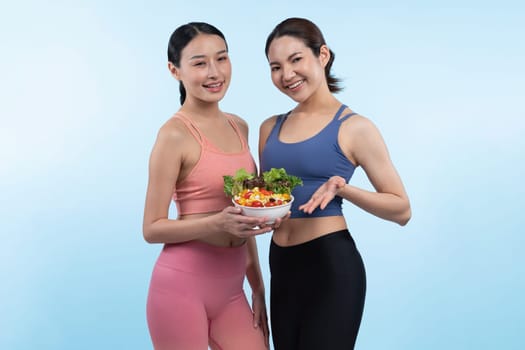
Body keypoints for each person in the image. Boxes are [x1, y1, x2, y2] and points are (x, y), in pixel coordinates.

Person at [259, 17, 412, 349]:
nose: (287, 74)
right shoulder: (269, 128)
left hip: (330, 267)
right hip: (281, 266)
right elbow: (262, 200)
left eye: (296, 59)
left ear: (322, 55)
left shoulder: (355, 127)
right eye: (276, 66)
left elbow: (401, 209)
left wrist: (343, 189)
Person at [143, 22, 275, 350]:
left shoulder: (238, 126)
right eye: (200, 63)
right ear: (175, 71)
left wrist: (257, 288)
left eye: (222, 59)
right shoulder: (174, 135)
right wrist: (216, 222)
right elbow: (151, 228)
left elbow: (243, 215)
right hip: (180, 288)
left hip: (232, 291)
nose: (215, 72)